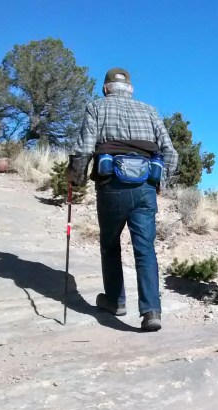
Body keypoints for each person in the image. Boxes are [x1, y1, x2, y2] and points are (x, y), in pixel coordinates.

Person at [69, 67, 178, 332]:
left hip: (111, 187)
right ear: (131, 89)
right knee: (145, 248)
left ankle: (115, 301)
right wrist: (159, 183)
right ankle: (151, 311)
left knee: (109, 244)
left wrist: (75, 179)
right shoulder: (151, 111)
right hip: (145, 187)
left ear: (106, 88)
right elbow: (170, 152)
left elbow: (84, 147)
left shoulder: (95, 107)